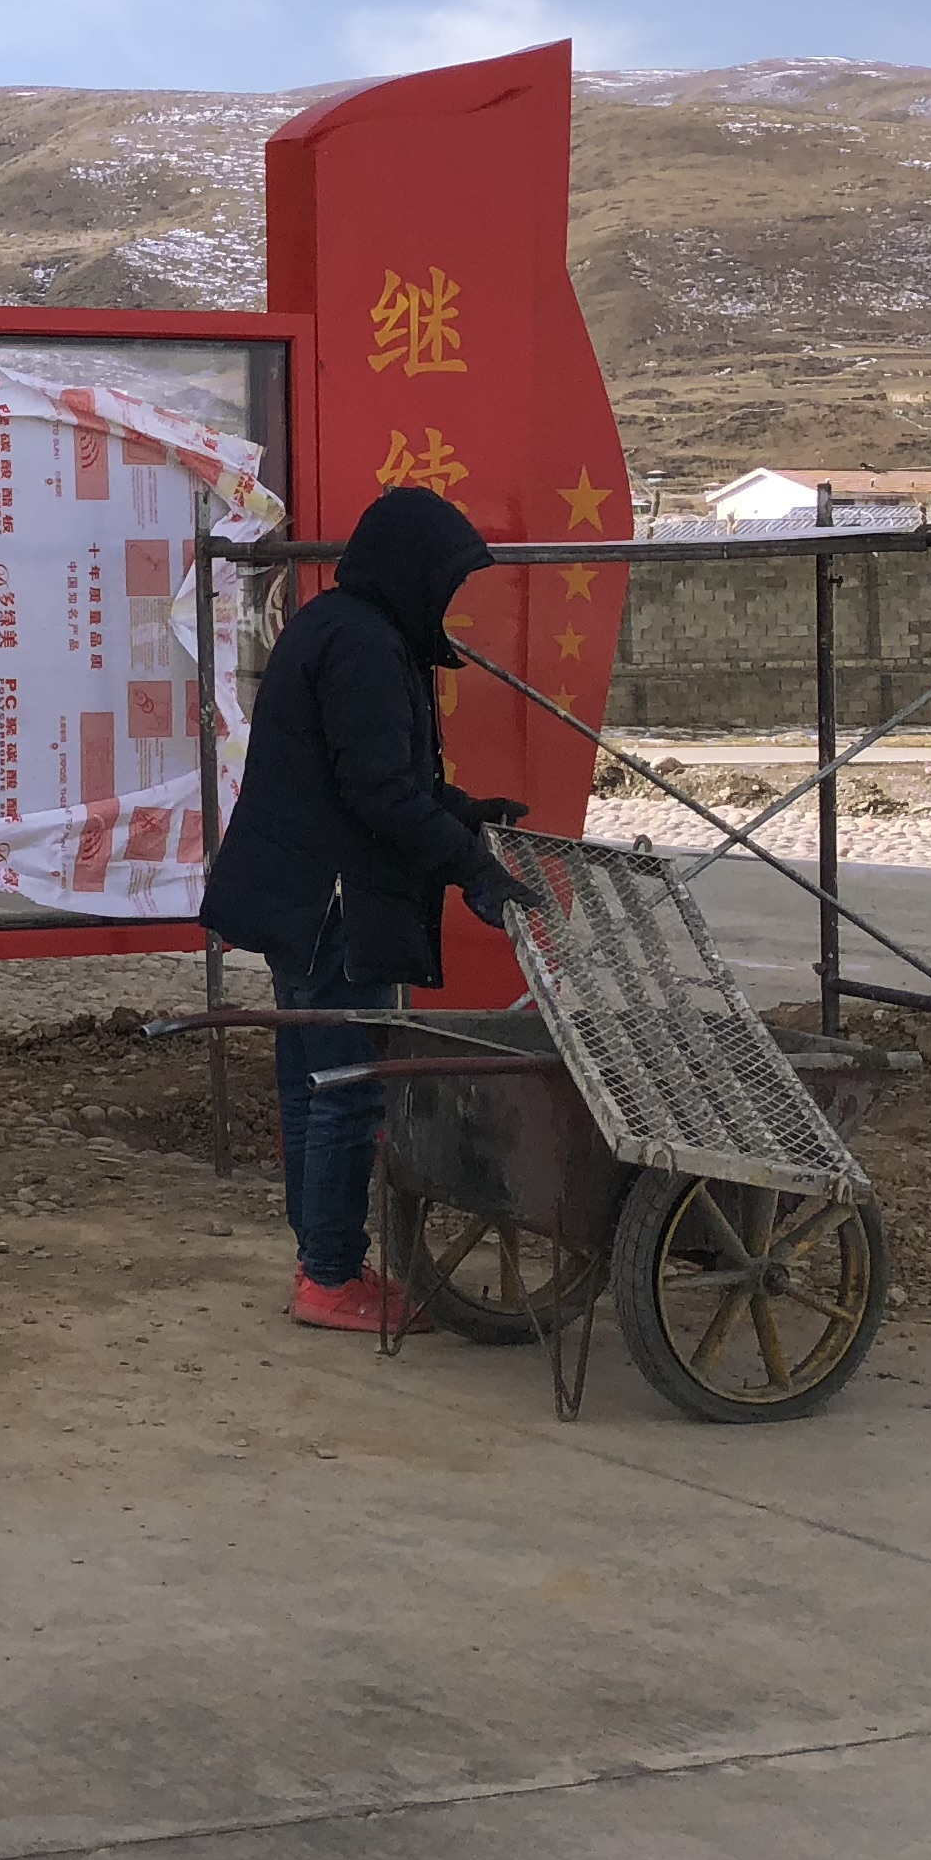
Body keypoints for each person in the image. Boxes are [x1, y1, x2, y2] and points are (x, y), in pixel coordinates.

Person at [197, 485, 532, 1333]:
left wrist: (466, 814)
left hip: (300, 898)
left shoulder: (338, 627)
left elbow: (379, 775)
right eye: (447, 582)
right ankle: (329, 1276)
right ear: (412, 571)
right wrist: (473, 868)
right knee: (347, 1091)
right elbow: (379, 794)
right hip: (333, 905)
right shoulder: (366, 647)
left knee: (312, 1083)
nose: (449, 601)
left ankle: (324, 1261)